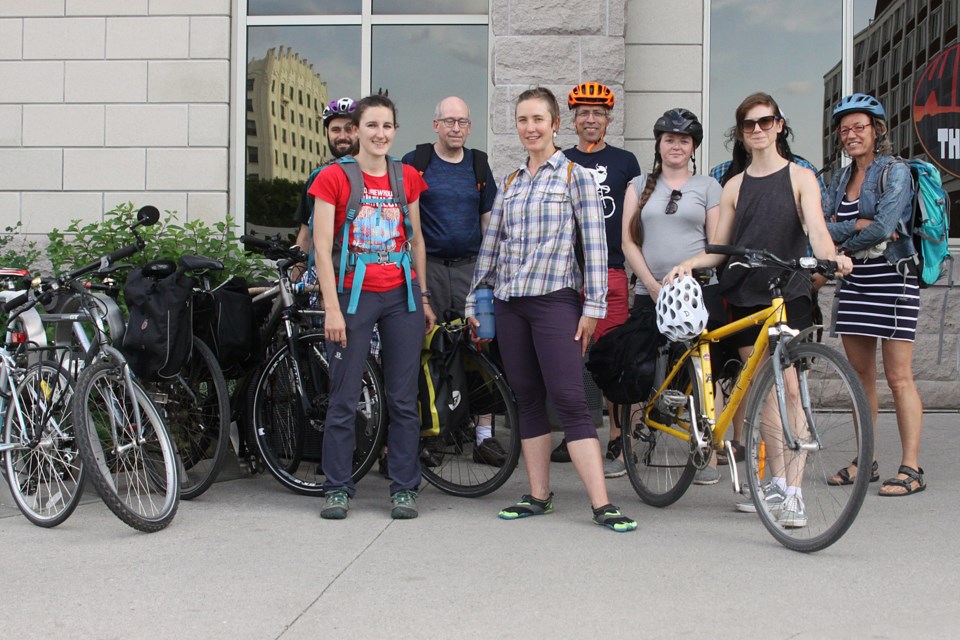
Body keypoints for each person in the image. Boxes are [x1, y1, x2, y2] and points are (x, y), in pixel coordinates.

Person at [666, 92, 852, 527]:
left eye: (765, 122)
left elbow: (818, 233)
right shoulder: (734, 185)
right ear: (742, 133)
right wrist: (691, 263)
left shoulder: (801, 176)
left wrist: (833, 257)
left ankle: (793, 492)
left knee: (791, 390)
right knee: (765, 391)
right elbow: (721, 249)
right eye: (749, 125)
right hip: (748, 294)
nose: (758, 130)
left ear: (779, 125)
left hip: (791, 292)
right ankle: (773, 479)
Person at [465, 87, 637, 532]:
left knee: (571, 399)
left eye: (538, 119)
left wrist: (593, 305)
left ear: (556, 122)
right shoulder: (511, 181)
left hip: (556, 300)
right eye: (523, 119)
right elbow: (492, 245)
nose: (530, 127)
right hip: (509, 304)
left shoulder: (574, 176)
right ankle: (539, 495)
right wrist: (475, 295)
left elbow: (596, 247)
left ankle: (602, 504)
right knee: (527, 400)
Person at [310, 94, 436, 520]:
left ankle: (404, 487)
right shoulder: (333, 178)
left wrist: (421, 295)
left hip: (401, 297)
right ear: (357, 130)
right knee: (344, 396)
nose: (380, 134)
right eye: (371, 126)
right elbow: (322, 249)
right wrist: (331, 307)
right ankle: (338, 486)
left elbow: (416, 239)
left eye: (387, 126)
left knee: (402, 398)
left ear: (395, 131)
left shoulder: (407, 177)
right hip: (352, 296)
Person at [822, 93, 925, 496]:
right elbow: (823, 226)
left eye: (859, 127)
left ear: (877, 129)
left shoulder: (894, 171)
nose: (851, 135)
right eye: (845, 130)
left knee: (899, 378)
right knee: (860, 378)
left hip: (894, 281)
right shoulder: (838, 178)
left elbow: (884, 228)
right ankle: (866, 460)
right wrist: (853, 225)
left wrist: (847, 228)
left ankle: (911, 467)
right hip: (855, 282)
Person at [620, 108, 725, 485]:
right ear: (659, 145)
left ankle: (707, 453)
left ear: (693, 146)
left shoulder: (709, 186)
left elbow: (717, 248)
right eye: (669, 139)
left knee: (702, 373)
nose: (676, 146)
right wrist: (649, 281)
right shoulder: (637, 185)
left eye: (683, 140)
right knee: (638, 368)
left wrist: (690, 265)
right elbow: (628, 242)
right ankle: (628, 447)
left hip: (696, 291)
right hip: (651, 291)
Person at [400, 96, 506, 467]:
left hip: (470, 268)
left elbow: (488, 220)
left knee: (478, 347)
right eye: (449, 121)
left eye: (462, 122)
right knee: (425, 347)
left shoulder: (478, 164)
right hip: (428, 269)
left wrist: (489, 272)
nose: (456, 128)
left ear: (469, 126)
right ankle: (426, 435)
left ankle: (484, 436)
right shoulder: (417, 162)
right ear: (436, 125)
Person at [554, 82, 642, 478]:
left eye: (599, 113)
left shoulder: (626, 162)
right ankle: (576, 430)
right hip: (564, 273)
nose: (591, 119)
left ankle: (619, 436)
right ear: (572, 120)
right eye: (584, 112)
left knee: (613, 357)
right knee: (567, 358)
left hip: (610, 271)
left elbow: (633, 224)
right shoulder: (559, 160)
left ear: (609, 118)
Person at [293, 97, 360, 278]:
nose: (342, 136)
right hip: (325, 277)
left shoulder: (379, 174)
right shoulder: (319, 176)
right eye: (335, 130)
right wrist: (295, 280)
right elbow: (306, 235)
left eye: (349, 129)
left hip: (368, 279)